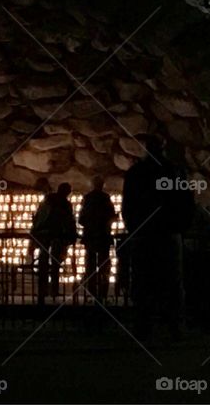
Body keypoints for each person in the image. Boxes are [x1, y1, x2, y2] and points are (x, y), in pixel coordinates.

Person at [122, 135, 192, 341]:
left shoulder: (136, 173)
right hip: (168, 233)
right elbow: (186, 203)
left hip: (146, 234)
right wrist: (180, 227)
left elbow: (129, 206)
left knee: (144, 282)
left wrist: (134, 227)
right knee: (172, 282)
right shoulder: (174, 172)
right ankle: (175, 326)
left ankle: (144, 326)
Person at [31, 182, 77, 305]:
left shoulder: (47, 201)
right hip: (57, 236)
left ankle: (42, 290)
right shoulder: (65, 204)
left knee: (43, 262)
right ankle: (54, 289)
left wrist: (35, 232)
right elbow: (68, 221)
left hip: (44, 235)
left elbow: (39, 217)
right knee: (55, 263)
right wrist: (71, 235)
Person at [80, 176, 117, 303]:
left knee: (90, 264)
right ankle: (103, 292)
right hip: (104, 236)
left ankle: (92, 291)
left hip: (90, 236)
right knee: (104, 264)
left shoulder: (88, 198)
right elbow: (112, 216)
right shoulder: (106, 199)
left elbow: (82, 219)